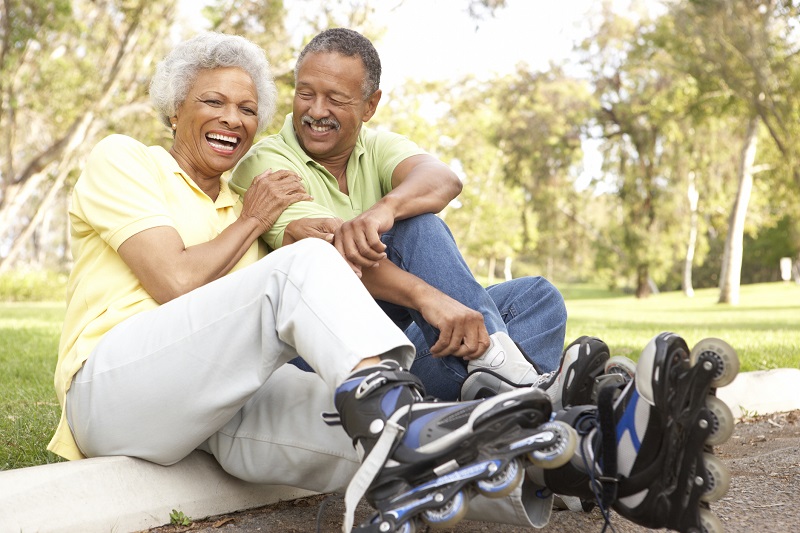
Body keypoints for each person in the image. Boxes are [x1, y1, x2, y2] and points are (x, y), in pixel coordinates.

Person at [50, 31, 736, 533]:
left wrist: (252, 216)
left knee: (435, 439)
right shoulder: (128, 162)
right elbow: (173, 280)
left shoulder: (238, 202)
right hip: (113, 391)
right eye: (212, 102)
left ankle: (601, 460)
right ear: (174, 107)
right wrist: (256, 218)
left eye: (246, 107)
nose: (233, 118)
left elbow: (427, 192)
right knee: (310, 271)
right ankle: (497, 388)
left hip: (214, 413)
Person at [230, 28, 606, 406]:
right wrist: (428, 298)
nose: (315, 111)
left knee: (537, 298)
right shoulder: (267, 164)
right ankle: (521, 387)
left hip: (394, 352)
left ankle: (496, 404)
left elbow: (443, 179)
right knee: (416, 229)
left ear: (369, 105)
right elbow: (327, 258)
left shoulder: (374, 147)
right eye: (305, 93)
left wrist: (382, 211)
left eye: (335, 98)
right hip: (318, 356)